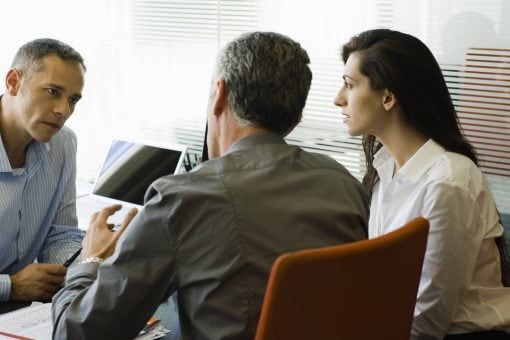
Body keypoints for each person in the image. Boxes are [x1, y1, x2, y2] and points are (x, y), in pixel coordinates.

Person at [52, 31, 369, 339]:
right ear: (297, 117)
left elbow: (77, 332)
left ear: (220, 94)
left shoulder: (184, 198)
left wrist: (90, 260)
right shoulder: (343, 182)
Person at [334, 28, 510, 339]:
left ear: (387, 97)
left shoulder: (447, 182)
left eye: (349, 85)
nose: (338, 99)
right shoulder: (385, 167)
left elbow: (427, 321)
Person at [0, 38, 86, 308]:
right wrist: (11, 286)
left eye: (73, 99)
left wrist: (87, 265)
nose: (64, 110)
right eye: (52, 91)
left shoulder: (63, 143)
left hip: (19, 316)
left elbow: (61, 234)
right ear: (14, 82)